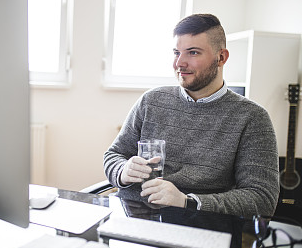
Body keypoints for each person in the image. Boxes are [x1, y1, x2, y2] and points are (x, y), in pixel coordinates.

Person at [103, 13, 279, 218]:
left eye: (193, 53)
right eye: (176, 52)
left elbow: (262, 199)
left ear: (221, 57)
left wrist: (188, 202)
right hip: (135, 219)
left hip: (203, 225)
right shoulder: (151, 100)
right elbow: (113, 155)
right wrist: (123, 171)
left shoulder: (252, 118)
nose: (180, 63)